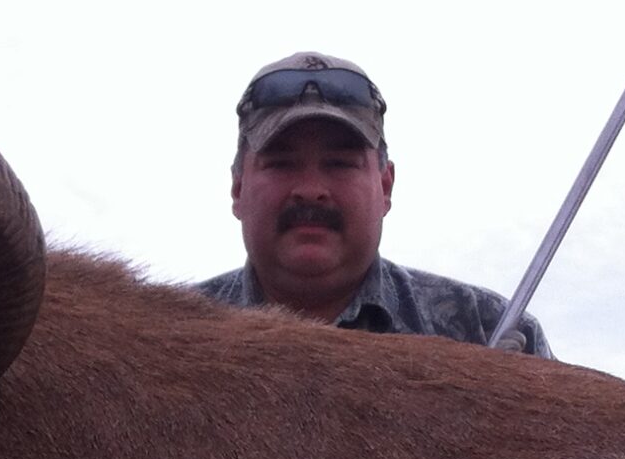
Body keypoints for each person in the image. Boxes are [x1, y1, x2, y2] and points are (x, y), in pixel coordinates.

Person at [197, 52, 550, 357]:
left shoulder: (490, 330)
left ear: (385, 186)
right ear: (237, 187)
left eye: (340, 163)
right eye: (281, 164)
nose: (310, 190)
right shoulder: (172, 339)